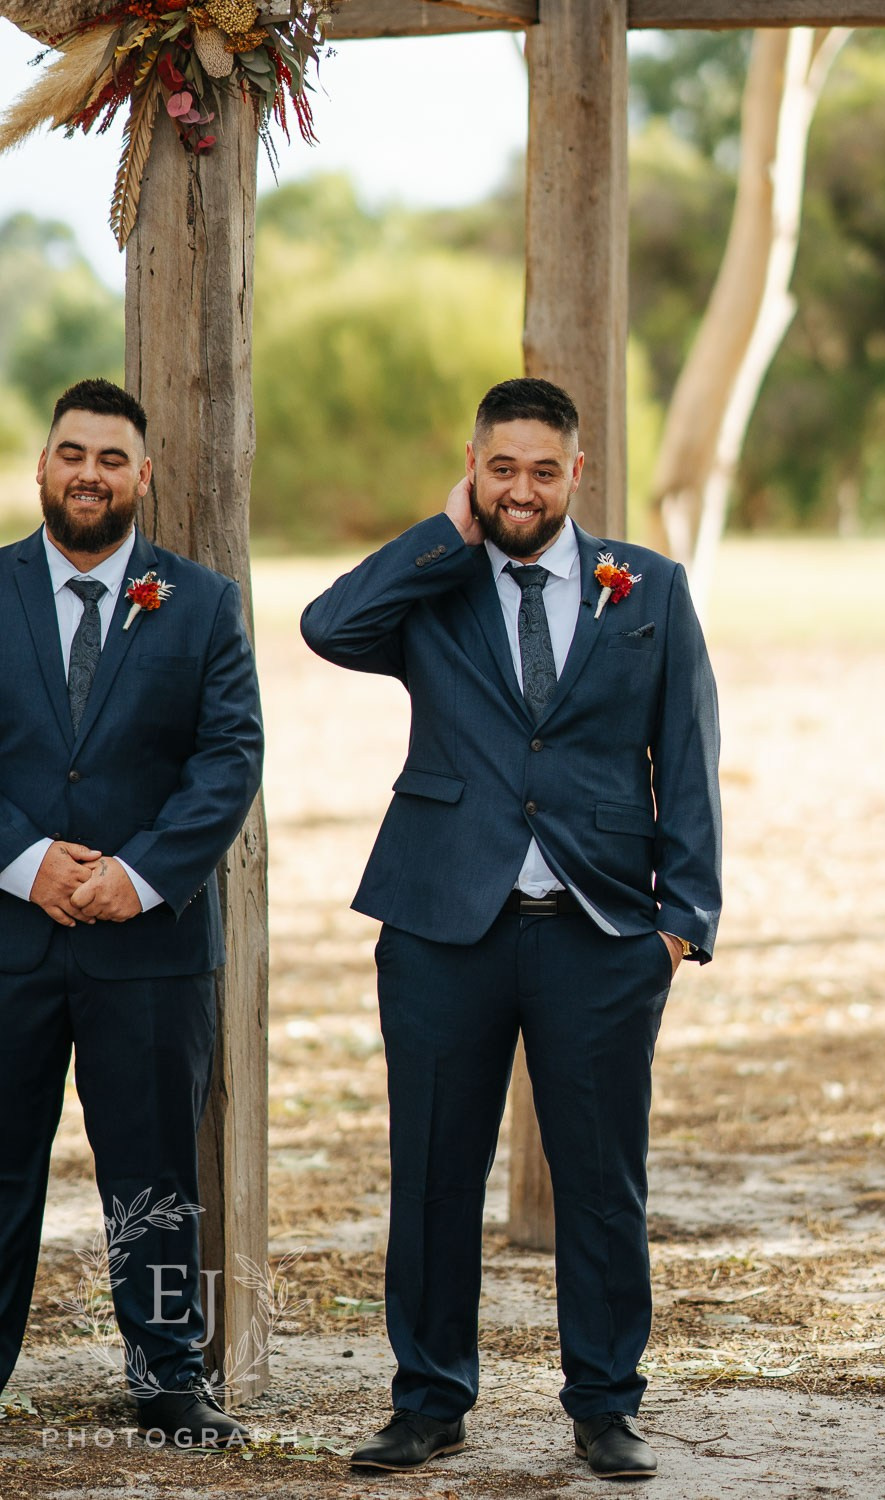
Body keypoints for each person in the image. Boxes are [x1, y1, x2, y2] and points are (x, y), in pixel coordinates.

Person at [301, 377, 722, 1480]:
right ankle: (430, 1398)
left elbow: (687, 759)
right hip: (444, 926)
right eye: (501, 469)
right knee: (435, 1171)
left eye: (543, 470)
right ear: (474, 469)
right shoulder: (435, 589)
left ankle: (604, 1403)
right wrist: (442, 533)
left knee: (600, 1179)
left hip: (600, 932)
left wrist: (678, 926)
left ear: (576, 475)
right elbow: (327, 625)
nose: (521, 490)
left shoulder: (649, 591)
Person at [0, 378, 264, 1447]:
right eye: (73, 453)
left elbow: (230, 754)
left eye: (113, 459)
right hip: (8, 937)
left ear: (142, 477)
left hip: (150, 945)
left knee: (154, 1176)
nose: (90, 475)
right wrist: (24, 863)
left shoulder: (197, 602)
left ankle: (167, 1378)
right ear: (42, 467)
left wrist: (138, 875)